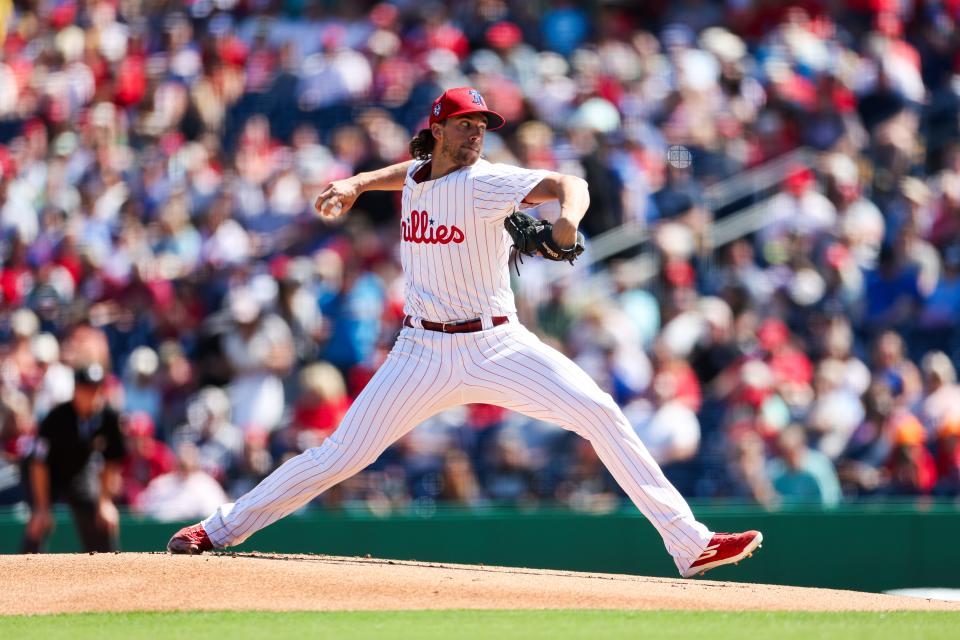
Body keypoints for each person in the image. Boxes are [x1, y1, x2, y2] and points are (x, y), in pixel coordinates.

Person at [167, 86, 762, 578]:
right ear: (439, 129)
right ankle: (215, 529)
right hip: (420, 350)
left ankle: (690, 543)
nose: (477, 133)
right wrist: (355, 182)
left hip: (497, 344)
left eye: (483, 123)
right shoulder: (422, 175)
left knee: (600, 411)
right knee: (338, 455)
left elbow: (565, 183)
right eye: (466, 123)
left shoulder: (487, 181)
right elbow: (412, 174)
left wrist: (567, 221)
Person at [23, 363, 126, 552]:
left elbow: (112, 460)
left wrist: (105, 502)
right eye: (86, 389)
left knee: (98, 515)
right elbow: (39, 463)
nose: (91, 394)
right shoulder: (56, 418)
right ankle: (20, 574)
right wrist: (42, 507)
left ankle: (109, 568)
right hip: (46, 473)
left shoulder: (108, 417)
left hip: (78, 469)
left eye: (96, 389)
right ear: (75, 389)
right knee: (38, 522)